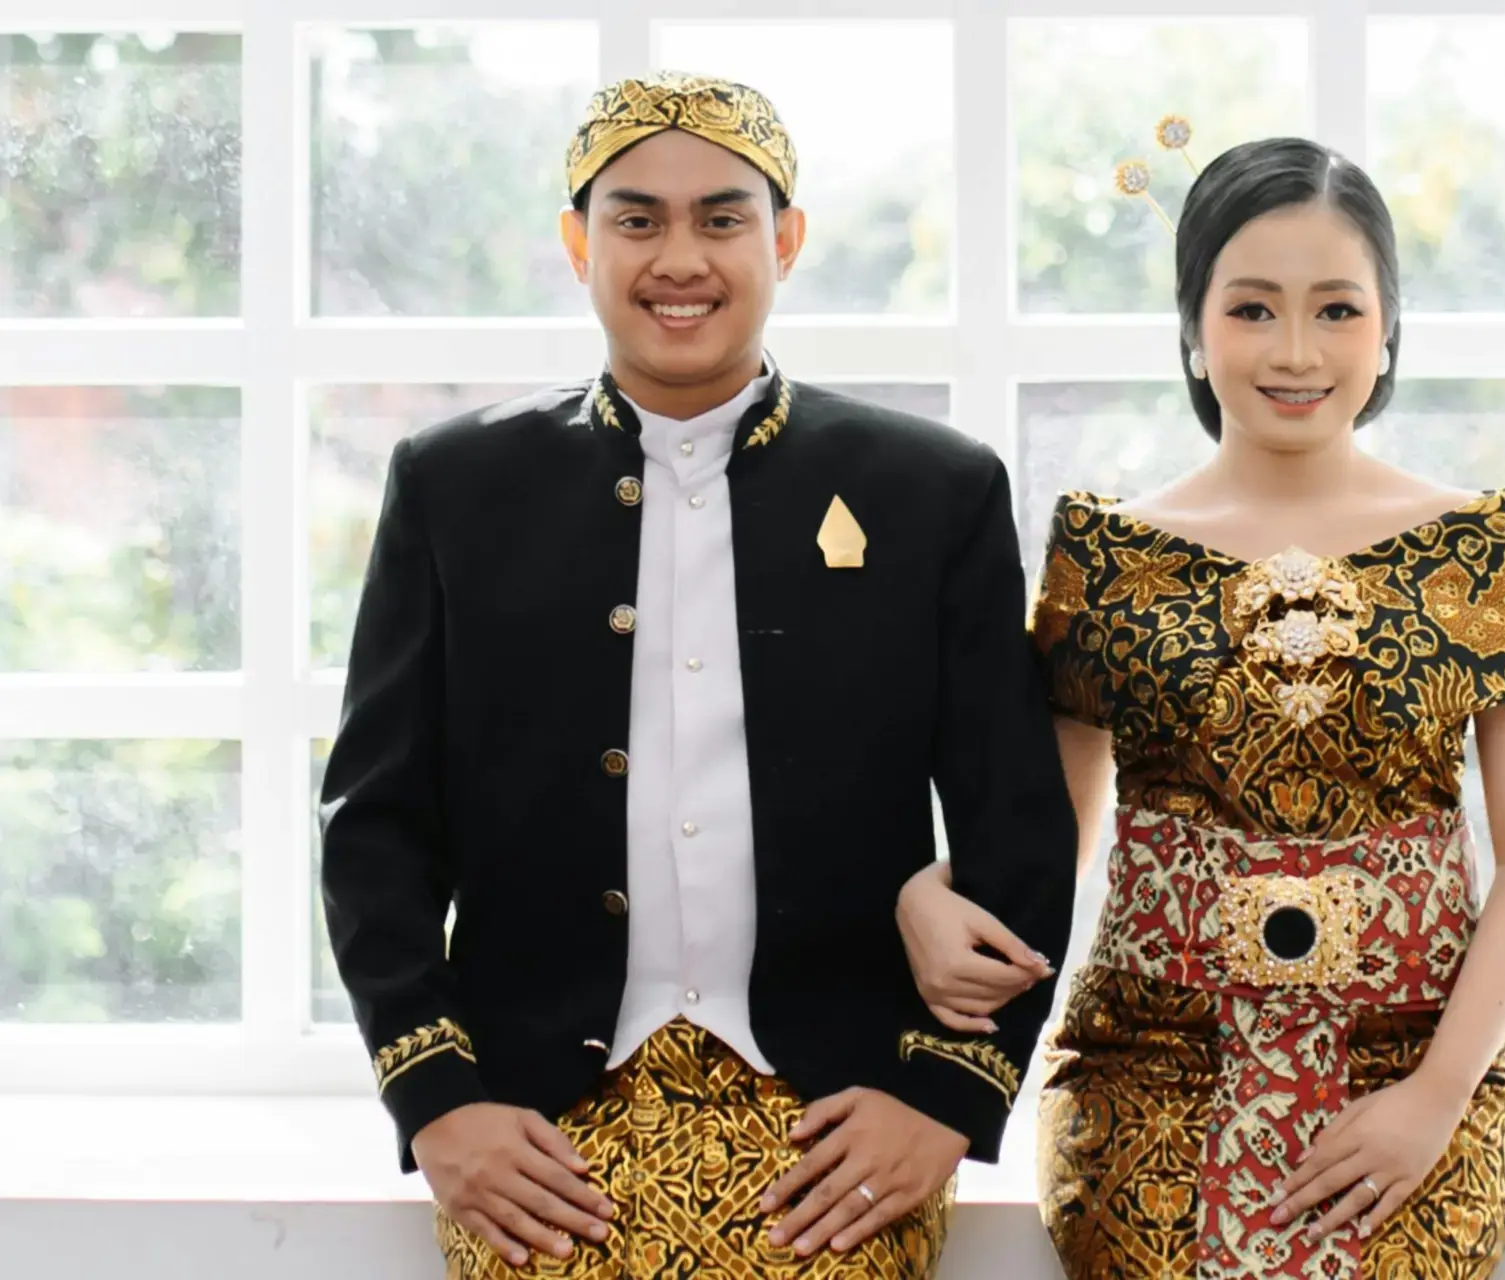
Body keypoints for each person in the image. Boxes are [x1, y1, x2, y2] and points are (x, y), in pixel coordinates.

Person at [319, 70, 1075, 1280]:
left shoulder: (934, 491)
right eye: (637, 220)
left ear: (788, 239)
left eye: (723, 218)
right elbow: (377, 825)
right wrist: (437, 1099)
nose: (681, 258)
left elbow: (1019, 825)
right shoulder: (454, 487)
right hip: (534, 1121)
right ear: (579, 244)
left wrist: (946, 1095)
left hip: (837, 1113)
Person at [895, 135, 1505, 1279]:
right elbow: (1051, 833)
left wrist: (1437, 1095)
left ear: (1388, 328)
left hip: (1413, 1062)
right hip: (1152, 1062)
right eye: (1253, 308)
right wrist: (926, 889)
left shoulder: (1479, 545)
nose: (1296, 350)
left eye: (1338, 309)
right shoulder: (1108, 555)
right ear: (1193, 329)